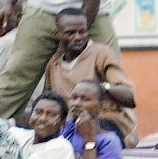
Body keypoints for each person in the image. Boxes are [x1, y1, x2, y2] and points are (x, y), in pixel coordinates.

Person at [44, 9, 138, 146]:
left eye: (82, 32)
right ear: (58, 35)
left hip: (104, 123)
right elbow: (49, 100)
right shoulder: (54, 65)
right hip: (69, 127)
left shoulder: (100, 54)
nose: (78, 37)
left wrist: (102, 88)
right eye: (70, 33)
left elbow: (129, 97)